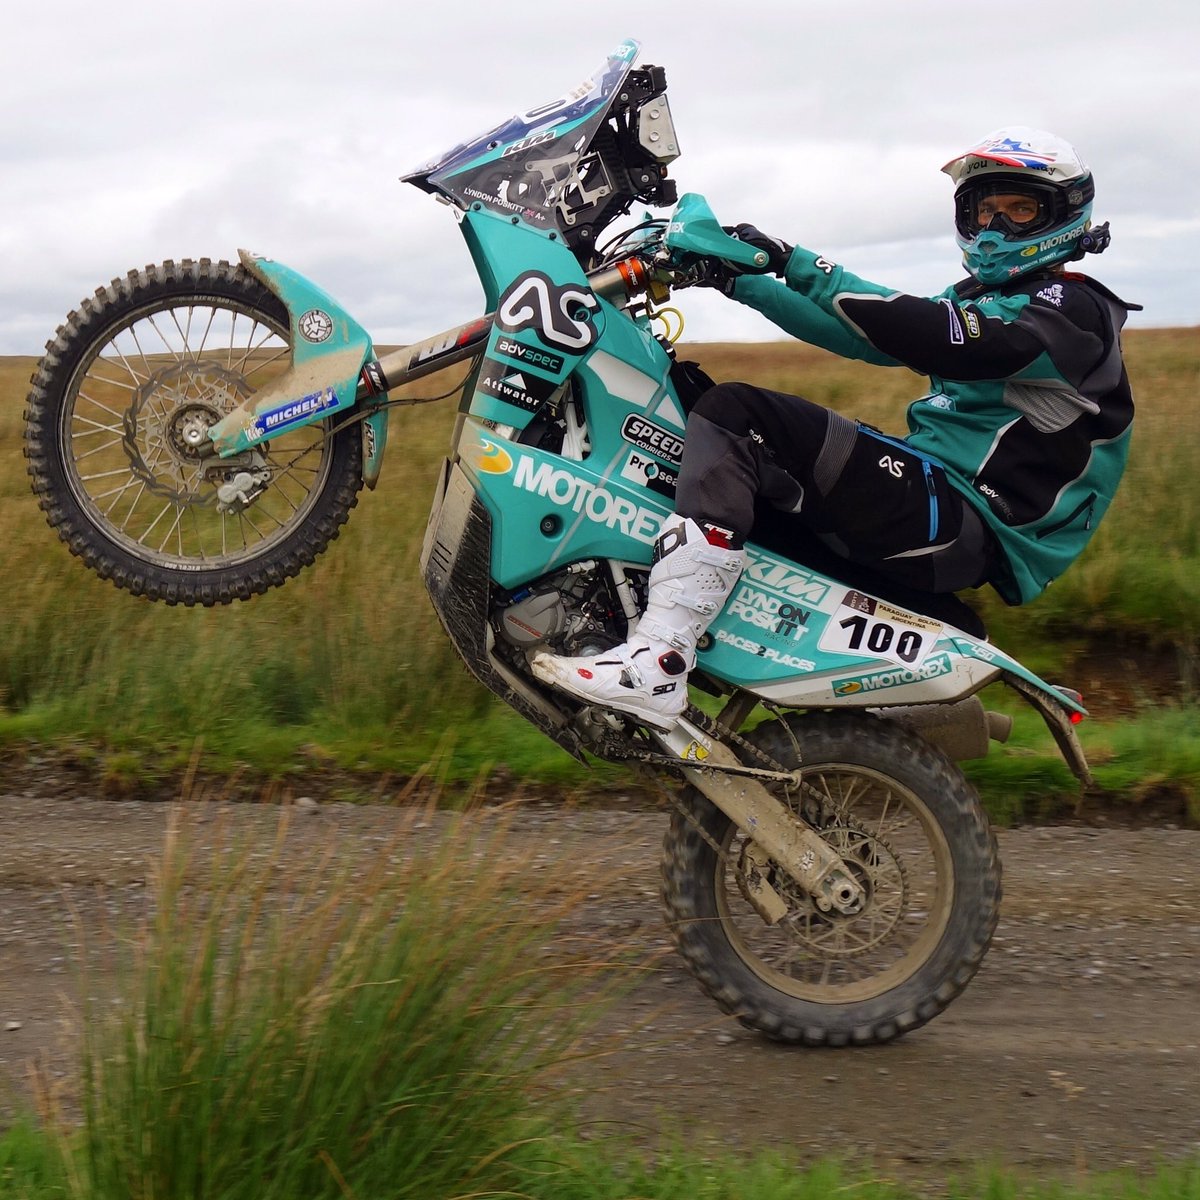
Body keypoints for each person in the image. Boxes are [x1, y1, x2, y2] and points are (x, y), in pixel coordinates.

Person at [532, 126, 1139, 730]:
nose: (994, 228)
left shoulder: (1072, 309)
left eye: (1019, 210)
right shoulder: (991, 294)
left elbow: (939, 336)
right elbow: (863, 337)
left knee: (739, 416)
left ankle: (657, 664)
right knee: (701, 418)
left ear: (1062, 216)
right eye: (985, 210)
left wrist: (790, 259)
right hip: (942, 508)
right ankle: (631, 634)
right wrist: (734, 279)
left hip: (970, 521)